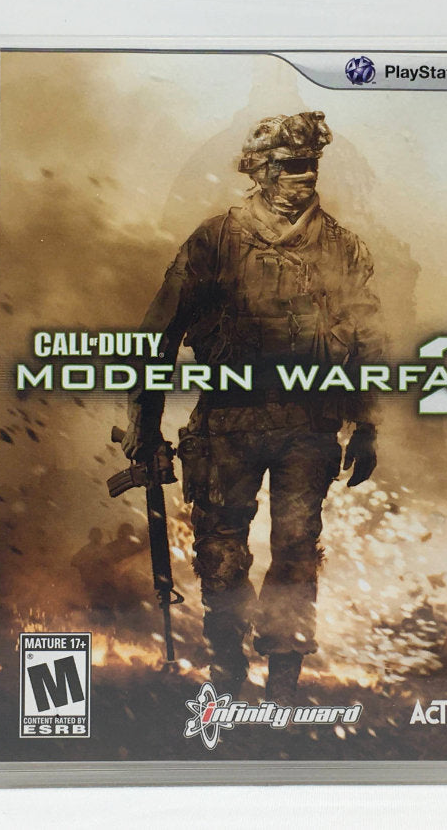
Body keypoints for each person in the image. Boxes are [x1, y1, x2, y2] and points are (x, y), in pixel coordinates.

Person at [121, 111, 384, 698]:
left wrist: (367, 426)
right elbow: (158, 334)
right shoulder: (215, 240)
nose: (304, 176)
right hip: (226, 423)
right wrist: (144, 422)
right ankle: (226, 668)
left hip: (308, 425)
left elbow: (369, 340)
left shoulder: (343, 247)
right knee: (220, 551)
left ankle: (284, 678)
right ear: (260, 170)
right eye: (291, 165)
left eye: (311, 164)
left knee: (297, 551)